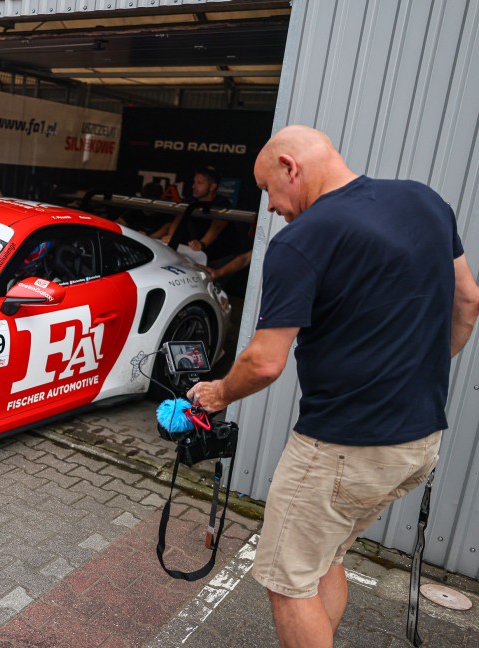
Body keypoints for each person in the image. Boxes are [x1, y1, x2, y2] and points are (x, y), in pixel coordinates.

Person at [187, 125, 479, 648]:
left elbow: (265, 363)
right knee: (326, 557)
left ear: (289, 168)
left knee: (286, 581)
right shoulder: (425, 202)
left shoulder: (302, 241)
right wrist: (415, 370)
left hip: (343, 447)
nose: (271, 208)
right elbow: (468, 303)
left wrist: (218, 393)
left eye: (267, 191)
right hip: (419, 441)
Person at [152, 166, 234, 260]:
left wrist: (202, 243)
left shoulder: (222, 203)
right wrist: (172, 236)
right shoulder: (190, 201)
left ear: (212, 187)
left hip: (219, 256)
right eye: (194, 182)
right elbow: (178, 219)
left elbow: (216, 227)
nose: (193, 186)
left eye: (199, 183)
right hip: (194, 254)